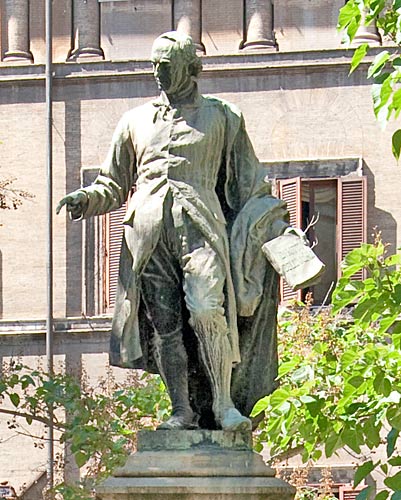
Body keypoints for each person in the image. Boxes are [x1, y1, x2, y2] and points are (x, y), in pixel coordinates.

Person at [57, 31, 292, 431]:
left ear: (190, 68)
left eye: (166, 66)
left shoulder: (222, 117)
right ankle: (181, 410)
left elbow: (252, 186)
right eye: (154, 65)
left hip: (202, 227)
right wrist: (86, 199)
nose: (158, 73)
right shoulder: (133, 121)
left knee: (205, 309)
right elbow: (112, 184)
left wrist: (278, 231)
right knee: (166, 327)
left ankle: (222, 405)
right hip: (147, 235)